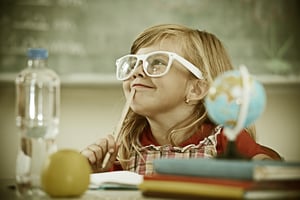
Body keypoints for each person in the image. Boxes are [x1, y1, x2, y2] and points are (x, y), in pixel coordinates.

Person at [80, 24, 281, 175]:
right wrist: (99, 174)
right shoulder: (125, 149)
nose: (137, 72)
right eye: (133, 63)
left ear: (196, 89)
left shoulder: (224, 139)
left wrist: (260, 168)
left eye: (156, 63)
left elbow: (270, 170)